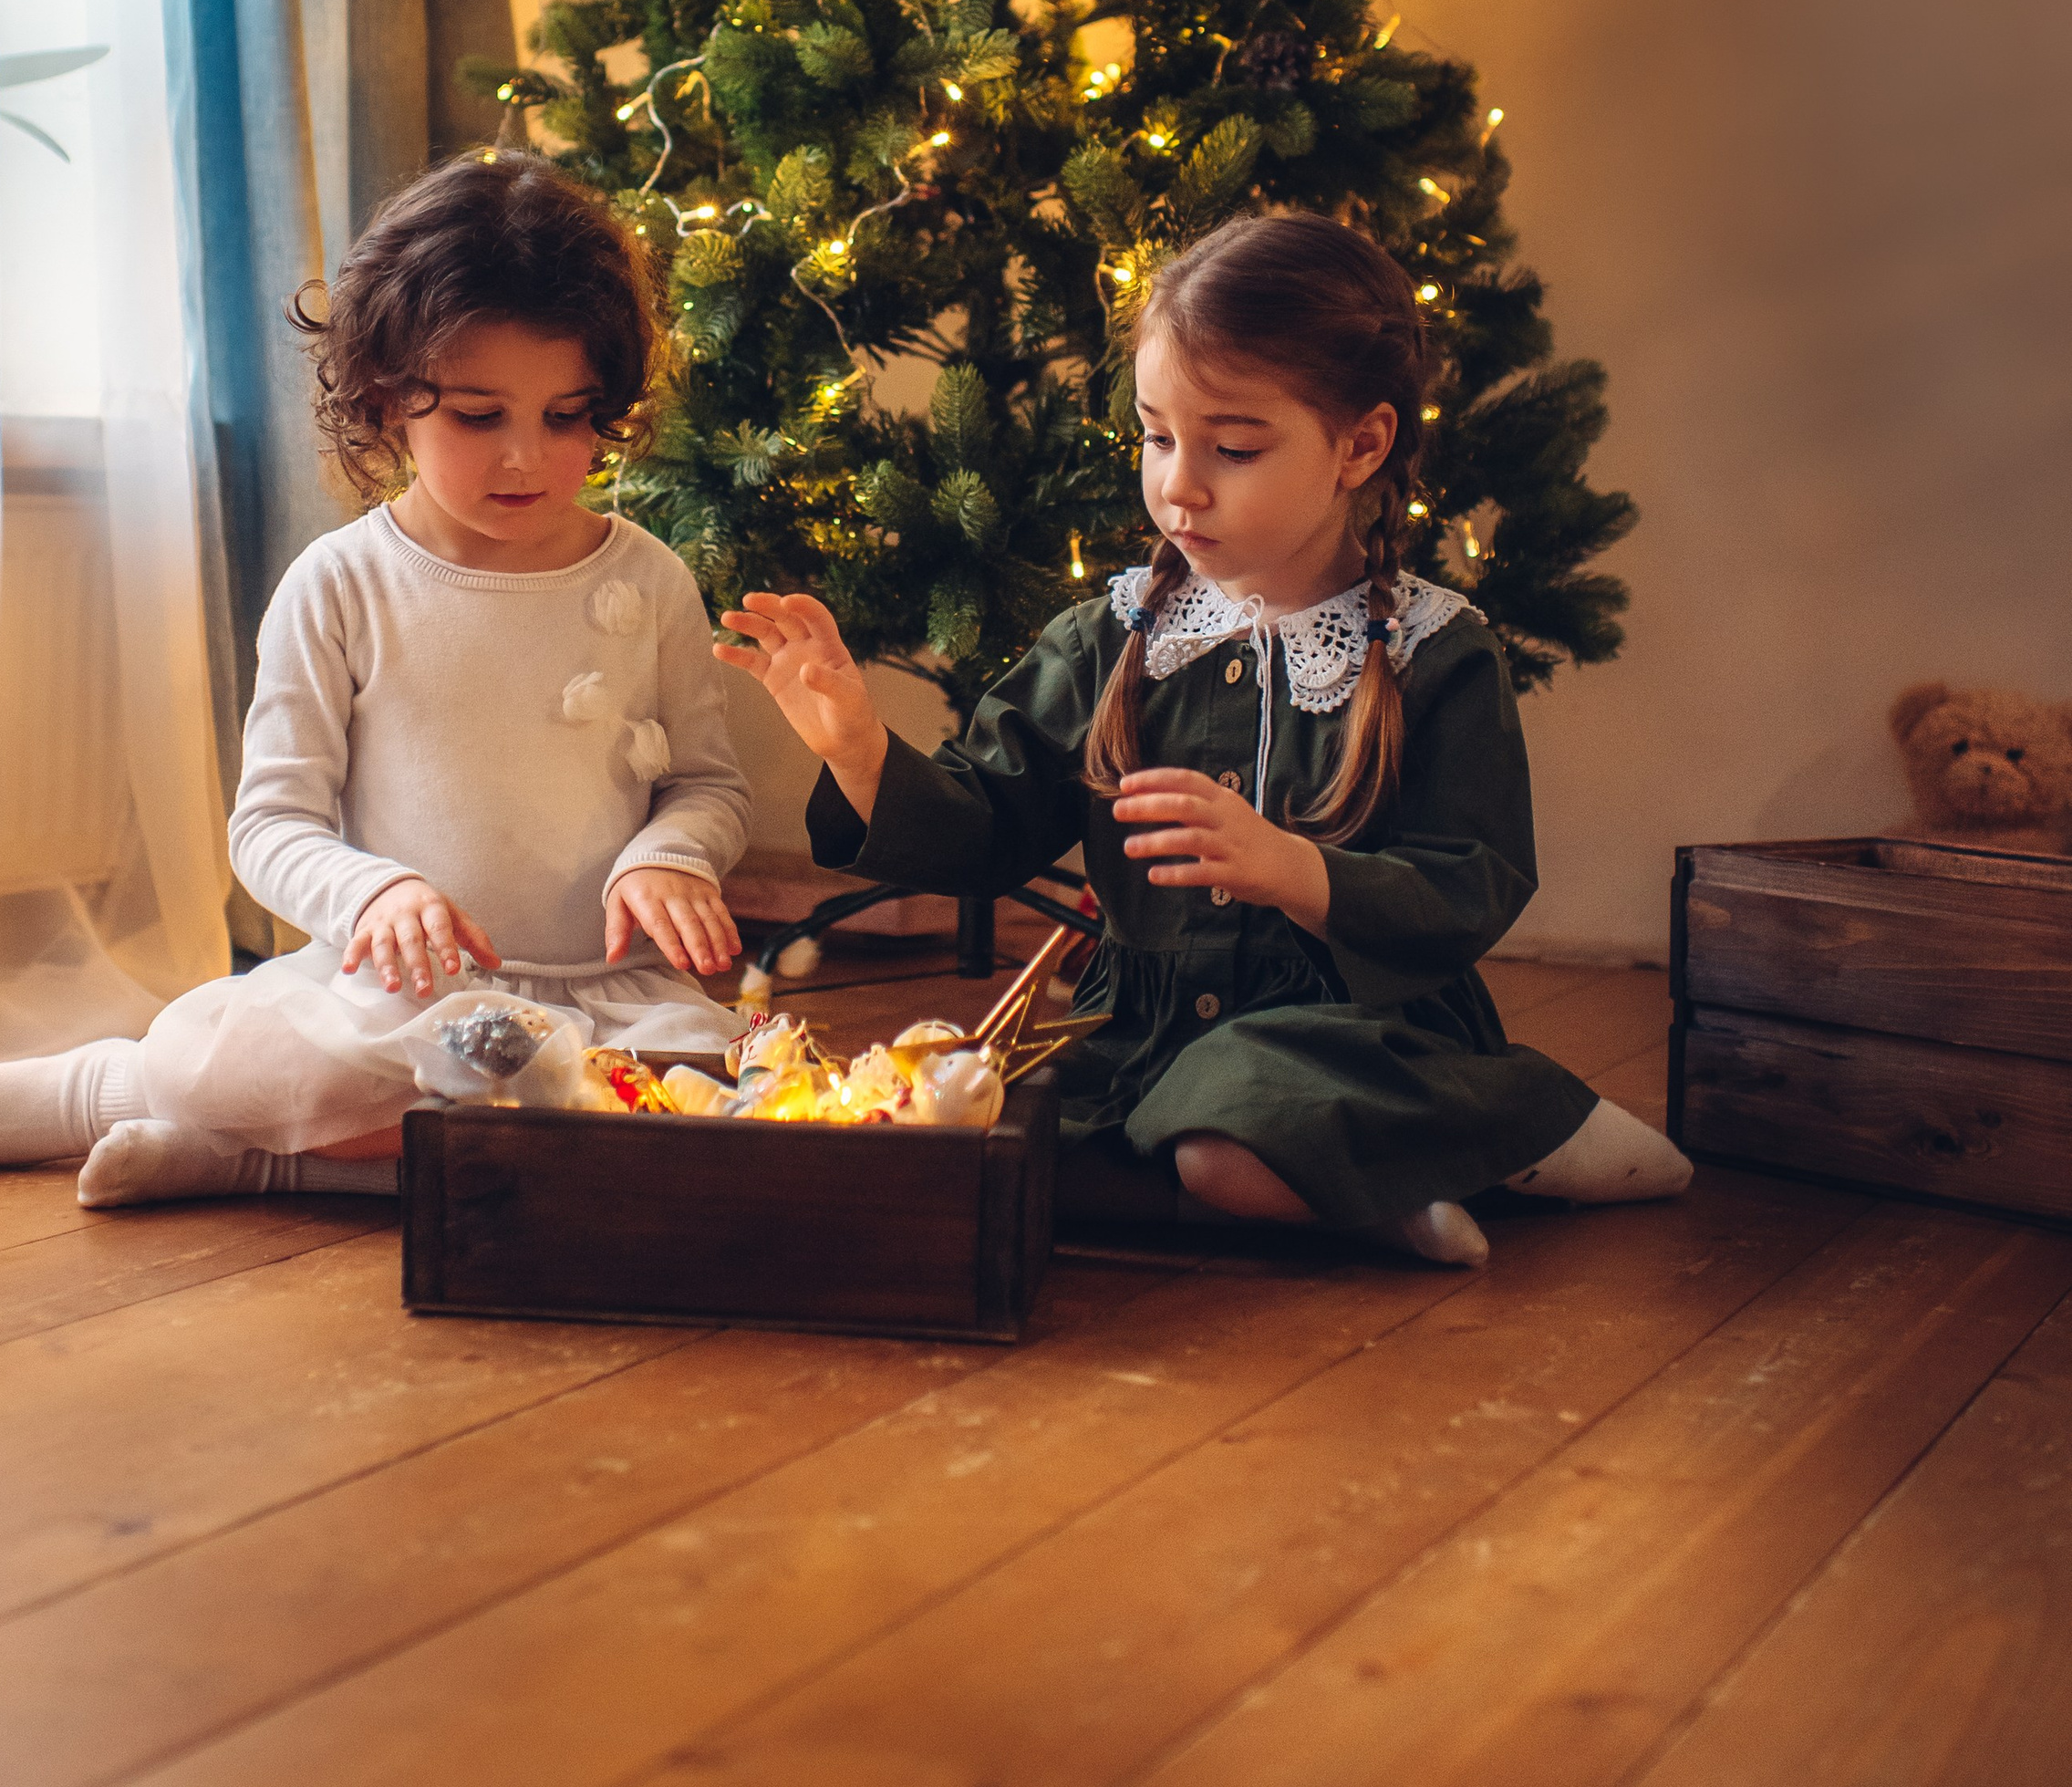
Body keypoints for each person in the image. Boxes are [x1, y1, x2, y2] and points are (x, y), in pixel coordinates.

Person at [720, 212, 1688, 1267]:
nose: (1178, 484)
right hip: (1132, 1035)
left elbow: (1471, 883)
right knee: (969, 1135)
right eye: (1156, 436)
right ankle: (1361, 1189)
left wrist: (1294, 869)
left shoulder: (1434, 652)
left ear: (1360, 444)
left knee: (1225, 1135)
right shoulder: (1109, 635)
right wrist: (859, 750)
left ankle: (1513, 1131)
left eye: (1232, 448)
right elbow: (987, 827)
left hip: (1352, 1037)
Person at [0, 154, 751, 1208]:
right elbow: (270, 825)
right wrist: (375, 891)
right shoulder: (340, 583)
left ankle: (261, 1160)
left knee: (707, 1116)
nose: (527, 457)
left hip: (607, 1000)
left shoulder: (650, 579)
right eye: (480, 416)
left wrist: (667, 855)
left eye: (566, 416)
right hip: (401, 1002)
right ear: (387, 398)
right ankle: (102, 1092)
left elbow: (706, 783)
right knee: (259, 1058)